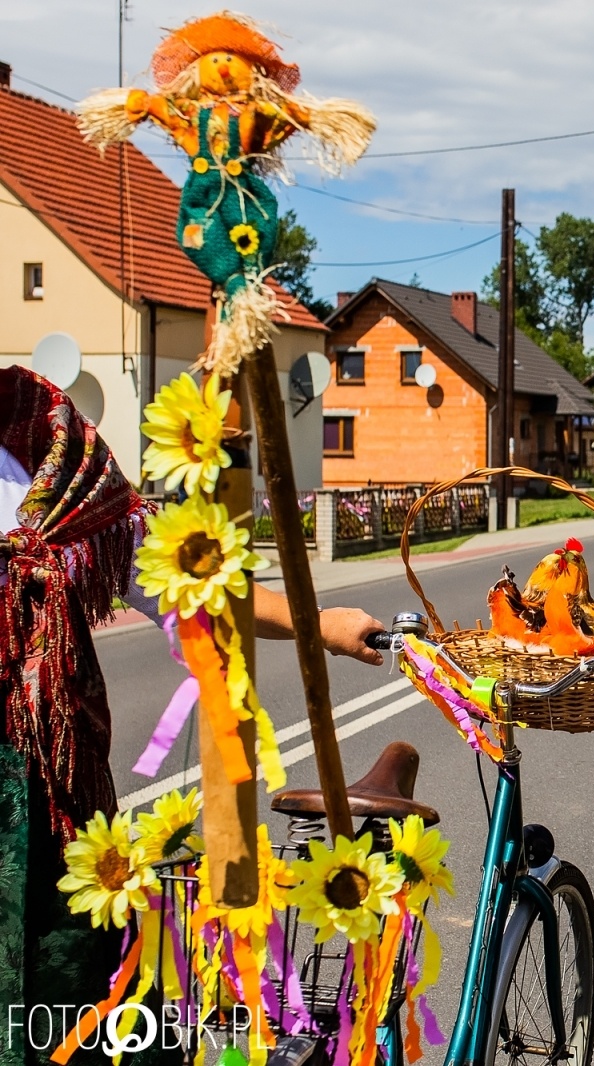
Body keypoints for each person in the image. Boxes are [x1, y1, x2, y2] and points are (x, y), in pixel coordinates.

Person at [0, 366, 386, 1036]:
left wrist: (316, 622)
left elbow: (179, 576)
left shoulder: (44, 433)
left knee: (57, 1014)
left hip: (41, 804)